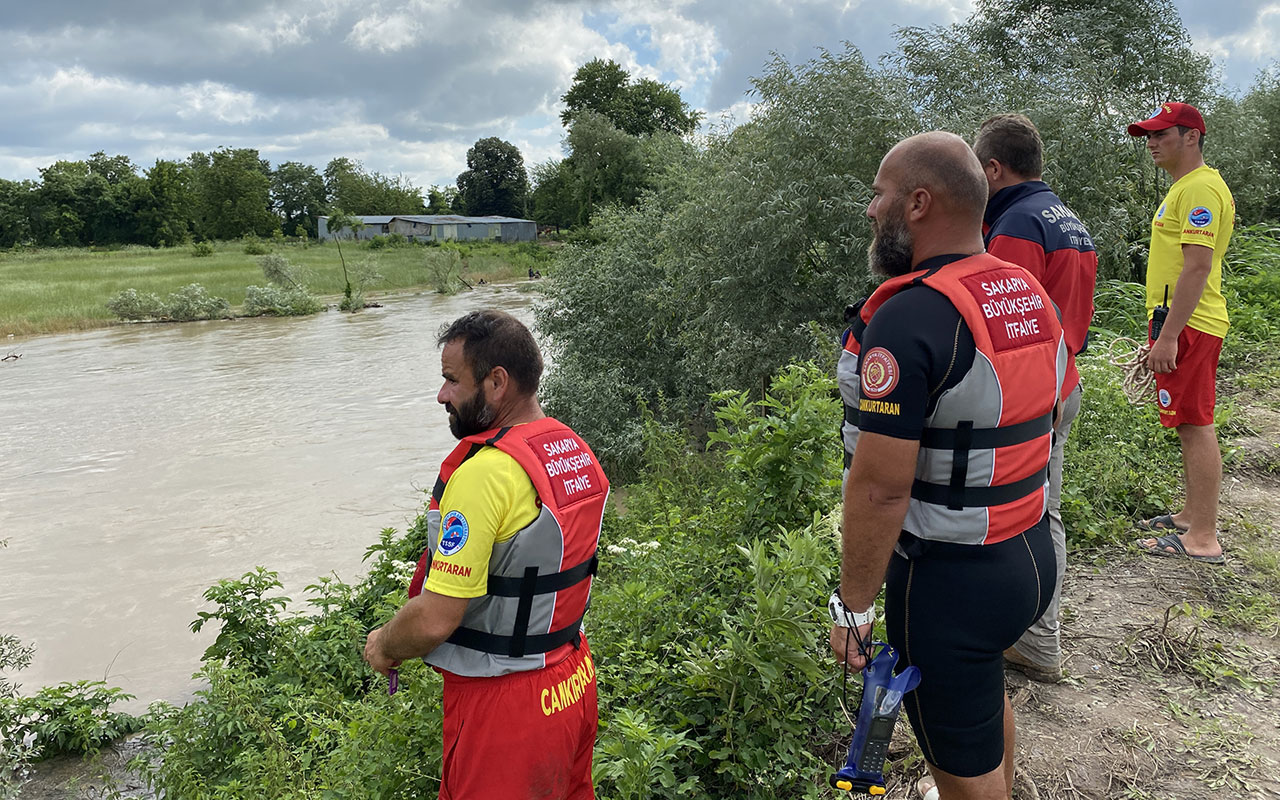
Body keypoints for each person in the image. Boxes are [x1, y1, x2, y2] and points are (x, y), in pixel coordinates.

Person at [830, 132, 1064, 800]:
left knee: (959, 765)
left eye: (880, 194)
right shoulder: (1025, 293)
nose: (872, 210)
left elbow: (878, 490)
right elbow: (1049, 411)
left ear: (920, 203)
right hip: (1029, 553)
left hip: (948, 584)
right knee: (978, 693)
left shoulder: (910, 318)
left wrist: (852, 606)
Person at [363, 309, 609, 799]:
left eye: (452, 381)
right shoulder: (571, 449)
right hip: (571, 680)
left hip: (505, 707)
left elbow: (435, 620)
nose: (442, 395)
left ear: (497, 382)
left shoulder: (484, 475)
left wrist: (384, 645)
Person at [974, 113, 1098, 683]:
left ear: (994, 167)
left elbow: (1005, 321)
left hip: (1033, 394)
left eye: (978, 169)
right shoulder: (1066, 219)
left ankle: (1038, 642)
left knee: (1034, 512)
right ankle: (1027, 633)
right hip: (1063, 378)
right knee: (1039, 506)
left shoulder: (1017, 226)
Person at [1128, 103, 1233, 564]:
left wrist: (1169, 336)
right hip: (1180, 321)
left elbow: (1197, 266)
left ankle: (1203, 538)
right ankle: (1192, 515)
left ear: (1191, 136)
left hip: (1189, 323)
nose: (1151, 142)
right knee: (1189, 422)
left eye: (1161, 134)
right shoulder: (1186, 188)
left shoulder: (1201, 190)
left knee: (1195, 424)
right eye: (1147, 135)